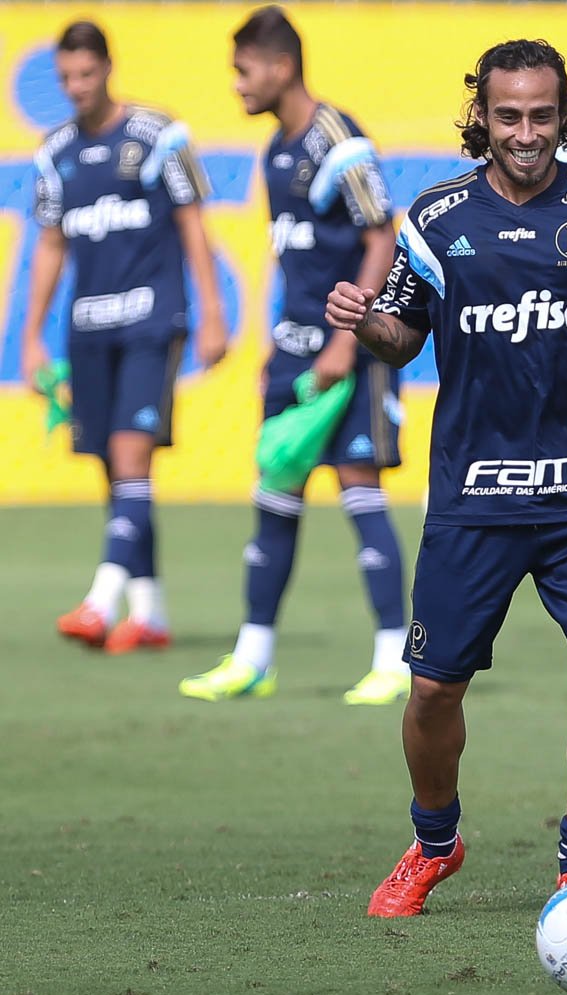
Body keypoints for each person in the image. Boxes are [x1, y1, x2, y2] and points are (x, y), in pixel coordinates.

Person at [325, 38, 567, 916]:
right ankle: (435, 841)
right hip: (473, 495)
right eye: (508, 114)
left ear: (566, 117)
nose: (525, 132)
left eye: (542, 115)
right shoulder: (435, 218)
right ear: (480, 115)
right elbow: (402, 335)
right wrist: (366, 320)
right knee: (432, 689)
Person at [178, 6, 409, 705]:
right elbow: (294, 260)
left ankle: (394, 657)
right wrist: (276, 344)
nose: (237, 85)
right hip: (291, 352)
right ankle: (253, 657)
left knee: (358, 487)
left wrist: (347, 339)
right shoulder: (275, 150)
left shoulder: (337, 139)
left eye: (243, 71)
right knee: (273, 496)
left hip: (350, 352)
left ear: (280, 66)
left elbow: (381, 238)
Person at [22, 20, 227, 654]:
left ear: (108, 69)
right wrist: (30, 336)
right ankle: (152, 614)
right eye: (66, 79)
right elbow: (51, 244)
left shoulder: (156, 136)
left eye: (85, 75)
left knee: (133, 456)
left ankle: (99, 602)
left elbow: (193, 223)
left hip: (149, 318)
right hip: (88, 328)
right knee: (116, 473)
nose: (77, 88)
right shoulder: (54, 152)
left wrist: (212, 310)